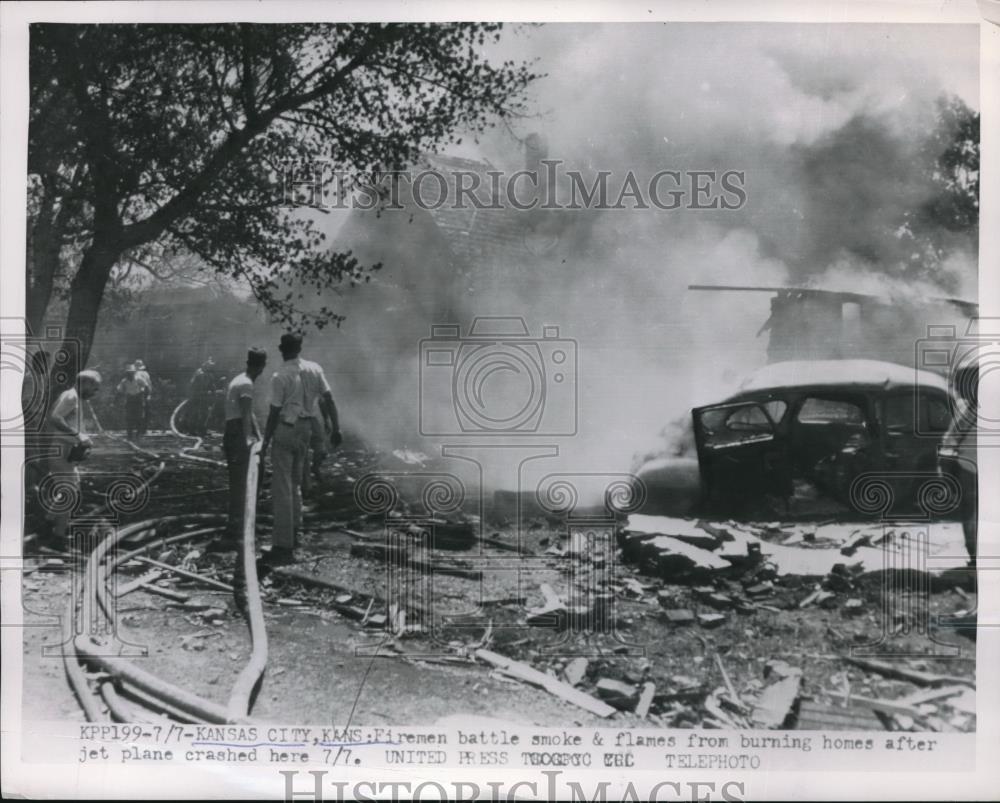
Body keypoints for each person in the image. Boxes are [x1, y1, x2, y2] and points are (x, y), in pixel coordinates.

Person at [261, 332, 341, 564]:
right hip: (305, 429)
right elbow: (329, 399)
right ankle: (296, 532)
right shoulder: (315, 369)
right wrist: (336, 427)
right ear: (299, 347)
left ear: (282, 349)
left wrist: (266, 440)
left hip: (286, 428)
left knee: (282, 485)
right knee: (296, 481)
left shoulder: (280, 376)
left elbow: (275, 411)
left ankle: (282, 544)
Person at [42, 370, 102, 545]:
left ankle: (48, 521)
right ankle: (58, 536)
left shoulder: (75, 398)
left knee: (71, 490)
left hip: (67, 450)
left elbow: (68, 421)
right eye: (94, 388)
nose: (95, 393)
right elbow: (55, 418)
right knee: (70, 495)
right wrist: (77, 434)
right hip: (61, 450)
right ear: (84, 384)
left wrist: (83, 438)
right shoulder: (71, 397)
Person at [219, 347, 267, 549]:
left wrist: (259, 435)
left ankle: (240, 526)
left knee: (242, 481)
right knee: (243, 483)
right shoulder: (246, 384)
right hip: (238, 433)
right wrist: (249, 437)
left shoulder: (239, 380)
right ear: (261, 367)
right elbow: (246, 414)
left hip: (234, 431)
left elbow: (250, 413)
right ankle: (238, 531)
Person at [940, 363, 978, 566]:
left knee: (971, 512)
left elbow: (951, 440)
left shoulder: (967, 408)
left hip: (969, 468)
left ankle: (975, 560)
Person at [116, 363, 150, 441]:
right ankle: (129, 436)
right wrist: (116, 400)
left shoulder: (139, 379)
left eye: (131, 373)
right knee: (129, 418)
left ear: (133, 373)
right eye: (128, 373)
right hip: (130, 399)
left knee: (139, 417)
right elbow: (119, 391)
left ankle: (138, 435)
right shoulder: (124, 381)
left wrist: (145, 396)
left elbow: (146, 387)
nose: (129, 374)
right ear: (126, 373)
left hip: (138, 399)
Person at [187, 357, 216, 436]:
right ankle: (192, 430)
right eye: (209, 366)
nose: (210, 367)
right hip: (197, 396)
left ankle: (202, 430)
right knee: (195, 413)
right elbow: (193, 385)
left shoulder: (209, 374)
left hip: (204, 396)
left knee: (204, 413)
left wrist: (213, 391)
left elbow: (212, 385)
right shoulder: (199, 373)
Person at [133, 359, 152, 434]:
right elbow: (150, 384)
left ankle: (140, 429)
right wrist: (149, 394)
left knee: (139, 411)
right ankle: (144, 429)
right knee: (145, 411)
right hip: (146, 393)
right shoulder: (146, 373)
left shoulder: (136, 374)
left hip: (140, 394)